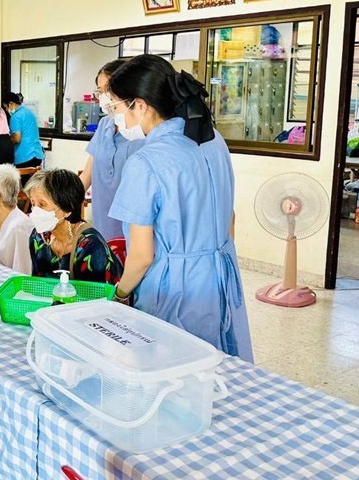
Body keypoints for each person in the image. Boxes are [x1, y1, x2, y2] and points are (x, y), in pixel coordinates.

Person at [106, 55, 253, 360]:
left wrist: (119, 295)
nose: (117, 119)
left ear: (141, 105)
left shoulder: (146, 162)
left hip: (174, 290)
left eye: (117, 108)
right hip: (219, 278)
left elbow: (142, 257)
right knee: (218, 369)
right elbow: (230, 218)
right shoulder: (214, 141)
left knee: (173, 376)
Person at [79, 59, 144, 242]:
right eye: (100, 92)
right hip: (102, 224)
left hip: (133, 230)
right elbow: (87, 175)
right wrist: (60, 202)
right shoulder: (104, 125)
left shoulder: (140, 132)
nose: (105, 98)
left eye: (108, 90)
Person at [25, 169, 121, 284]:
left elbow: (98, 298)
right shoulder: (38, 238)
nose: (35, 211)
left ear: (67, 209)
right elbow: (38, 285)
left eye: (42, 204)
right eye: (33, 203)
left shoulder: (91, 245)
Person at [3, 92, 44, 169]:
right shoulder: (29, 113)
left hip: (25, 157)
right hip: (38, 155)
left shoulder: (15, 117)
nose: (6, 110)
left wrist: (6, 141)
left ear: (11, 104)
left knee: (23, 181)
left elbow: (17, 139)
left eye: (6, 107)